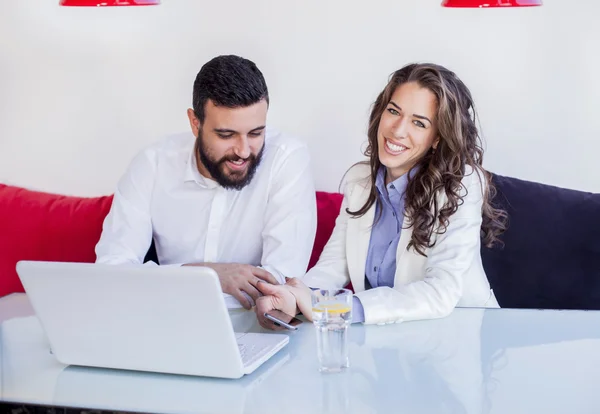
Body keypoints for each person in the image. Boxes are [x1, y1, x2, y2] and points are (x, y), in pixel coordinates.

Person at [255, 62, 507, 327]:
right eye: (393, 111)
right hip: (391, 344)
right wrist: (293, 297)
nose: (397, 130)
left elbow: (440, 292)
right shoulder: (359, 181)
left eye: (419, 123)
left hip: (459, 341)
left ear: (437, 137)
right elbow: (332, 267)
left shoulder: (462, 185)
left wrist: (335, 308)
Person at [95, 55, 317, 310]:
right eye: (226, 134)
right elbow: (111, 273)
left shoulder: (287, 158)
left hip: (251, 326)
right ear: (194, 122)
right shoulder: (152, 164)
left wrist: (171, 282)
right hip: (165, 320)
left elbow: (281, 281)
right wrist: (206, 274)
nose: (244, 151)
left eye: (256, 133)